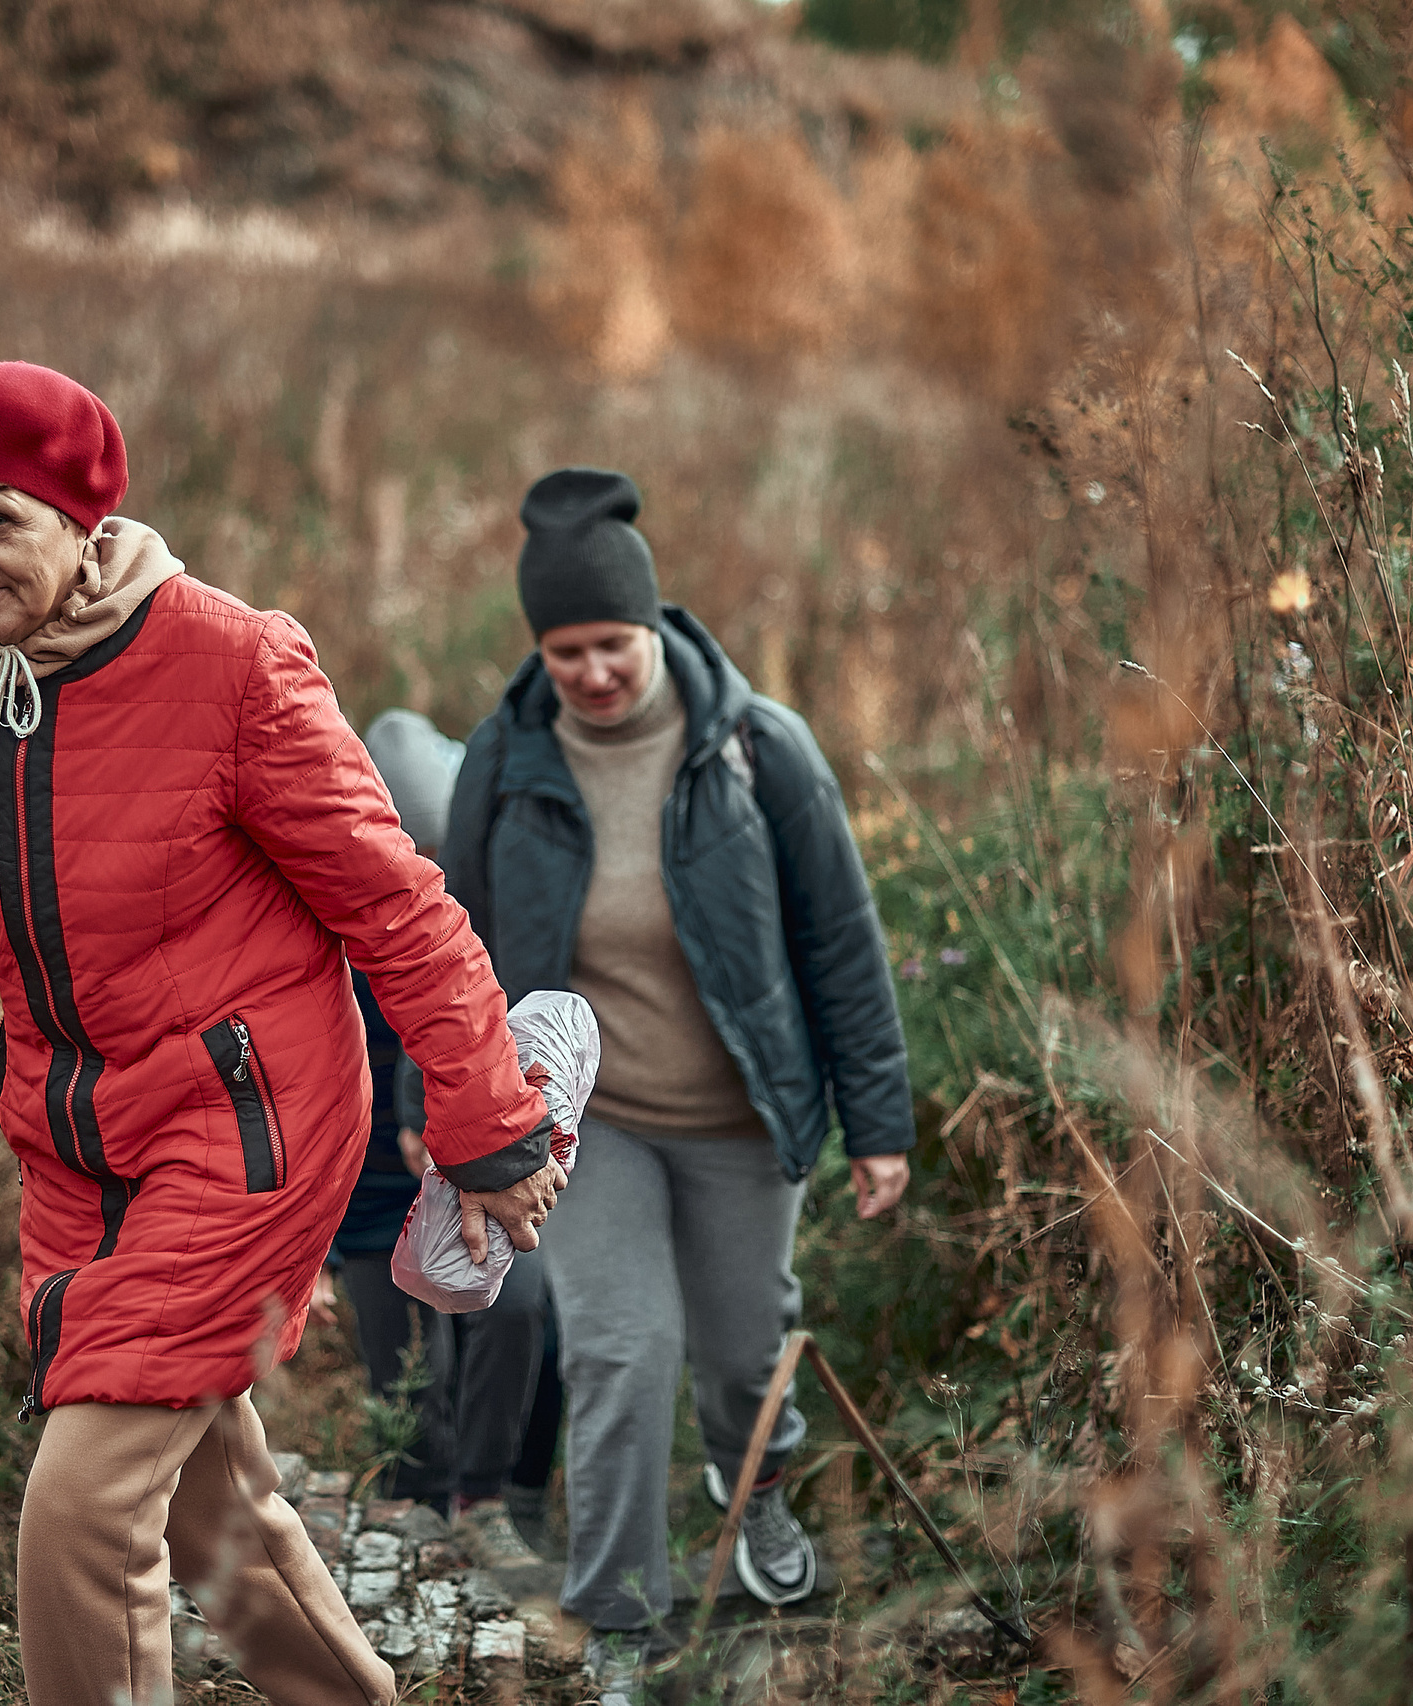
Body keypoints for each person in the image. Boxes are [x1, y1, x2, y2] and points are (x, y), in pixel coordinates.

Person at [0, 362, 568, 1706]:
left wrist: (489, 1124)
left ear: (80, 520)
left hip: (250, 1134)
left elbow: (397, 906)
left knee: (85, 1507)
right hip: (73, 1150)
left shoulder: (232, 662)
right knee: (213, 1514)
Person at [440, 468, 914, 1695]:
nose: (594, 671)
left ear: (652, 624)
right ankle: (619, 1614)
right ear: (539, 648)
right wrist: (430, 1113)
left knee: (746, 1353)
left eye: (614, 642)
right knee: (620, 1344)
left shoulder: (758, 747)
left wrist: (878, 1122)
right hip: (587, 1119)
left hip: (742, 1115)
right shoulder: (506, 759)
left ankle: (756, 1487)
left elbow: (841, 941)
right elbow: (448, 951)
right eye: (566, 651)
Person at [315, 711, 555, 1595]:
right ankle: (421, 1532)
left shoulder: (477, 918)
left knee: (517, 1313)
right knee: (412, 1384)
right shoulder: (319, 924)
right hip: (371, 1196)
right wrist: (312, 1245)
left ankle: (488, 1500)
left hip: (475, 1172)